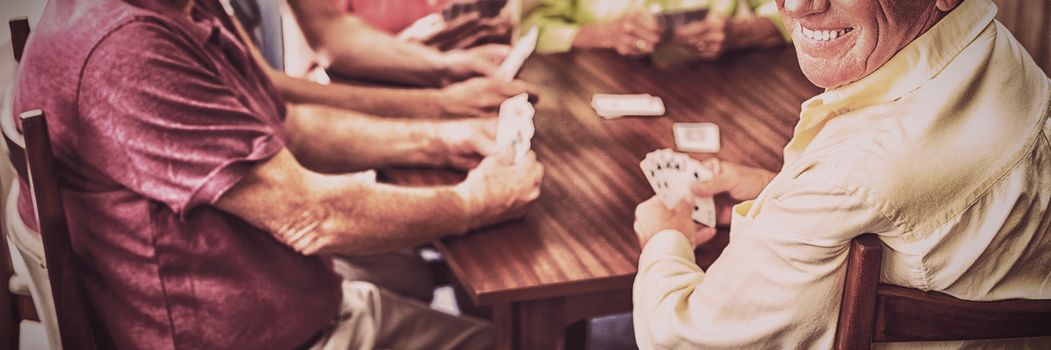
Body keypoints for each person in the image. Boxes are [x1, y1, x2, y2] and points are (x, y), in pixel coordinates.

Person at [12, 0, 544, 348]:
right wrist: (477, 202)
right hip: (256, 335)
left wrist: (440, 137)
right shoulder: (127, 48)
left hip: (284, 297)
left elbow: (288, 124)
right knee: (510, 339)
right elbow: (312, 215)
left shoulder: (173, 10)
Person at [632, 0, 1051, 347]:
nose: (795, 6)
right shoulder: (990, 41)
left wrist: (664, 238)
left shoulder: (848, 175)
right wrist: (776, 192)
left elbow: (682, 341)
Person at [228, 0, 533, 119]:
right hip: (337, 113)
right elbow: (330, 41)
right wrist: (438, 91)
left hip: (445, 99)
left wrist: (447, 63)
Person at [523, 0, 788, 59]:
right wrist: (603, 34)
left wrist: (740, 32)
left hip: (725, 92)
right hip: (599, 94)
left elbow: (797, 11)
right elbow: (529, 28)